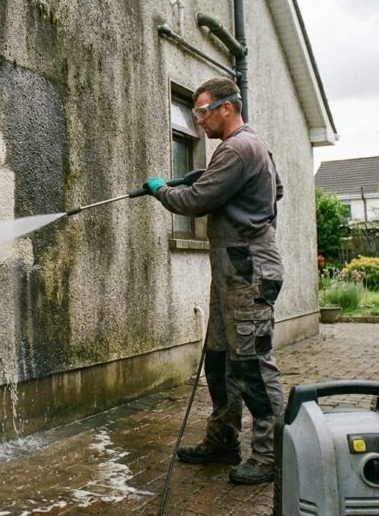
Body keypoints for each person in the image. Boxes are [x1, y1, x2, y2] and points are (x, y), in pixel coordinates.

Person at [143, 77, 285, 485]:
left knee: (253, 365)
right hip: (231, 268)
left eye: (202, 112)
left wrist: (162, 190)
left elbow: (195, 202)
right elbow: (276, 188)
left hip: (248, 270)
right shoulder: (249, 146)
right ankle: (223, 439)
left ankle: (270, 455)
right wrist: (214, 177)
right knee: (221, 360)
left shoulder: (239, 147)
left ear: (228, 107)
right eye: (194, 114)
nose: (198, 120)